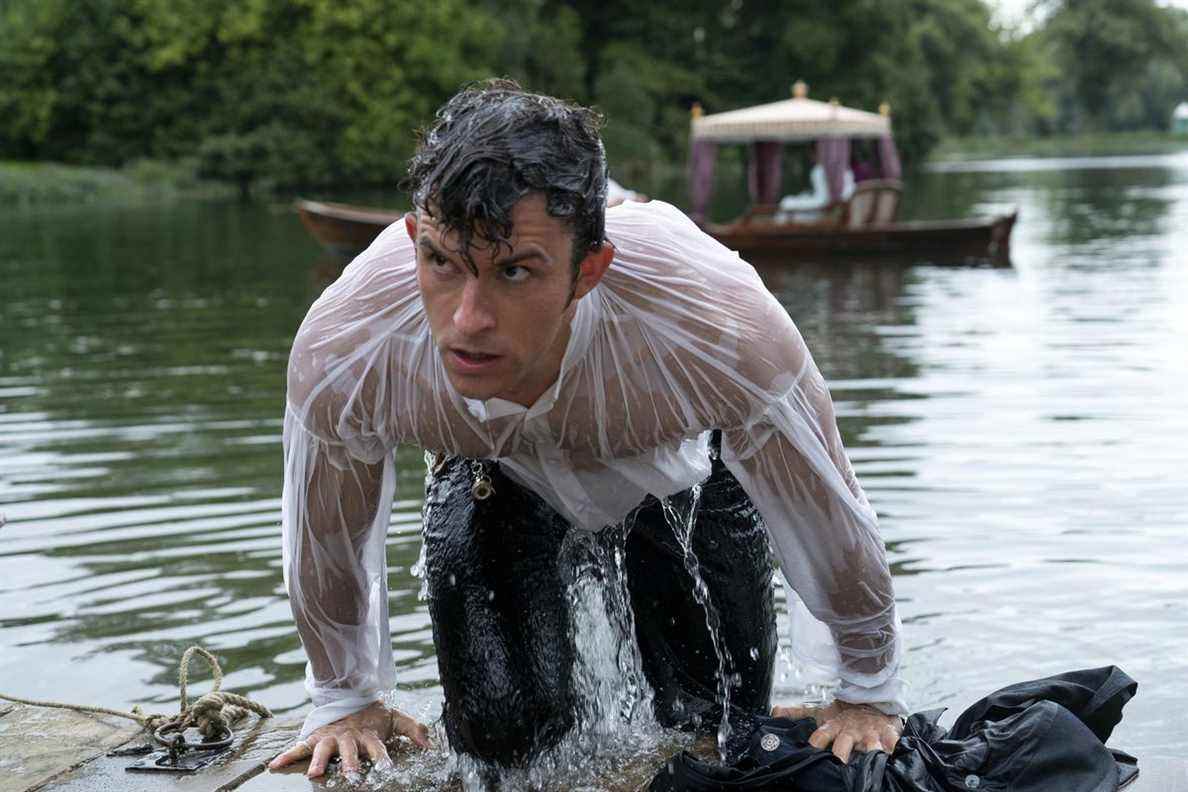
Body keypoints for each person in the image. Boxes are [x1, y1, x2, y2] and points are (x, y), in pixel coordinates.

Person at [268, 80, 906, 781]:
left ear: (588, 270)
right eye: (443, 263)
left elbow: (826, 511)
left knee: (721, 731)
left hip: (682, 471)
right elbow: (326, 533)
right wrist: (346, 697)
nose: (467, 321)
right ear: (415, 237)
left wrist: (866, 691)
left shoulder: (716, 321)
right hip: (493, 473)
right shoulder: (350, 342)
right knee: (501, 743)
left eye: (515, 271)